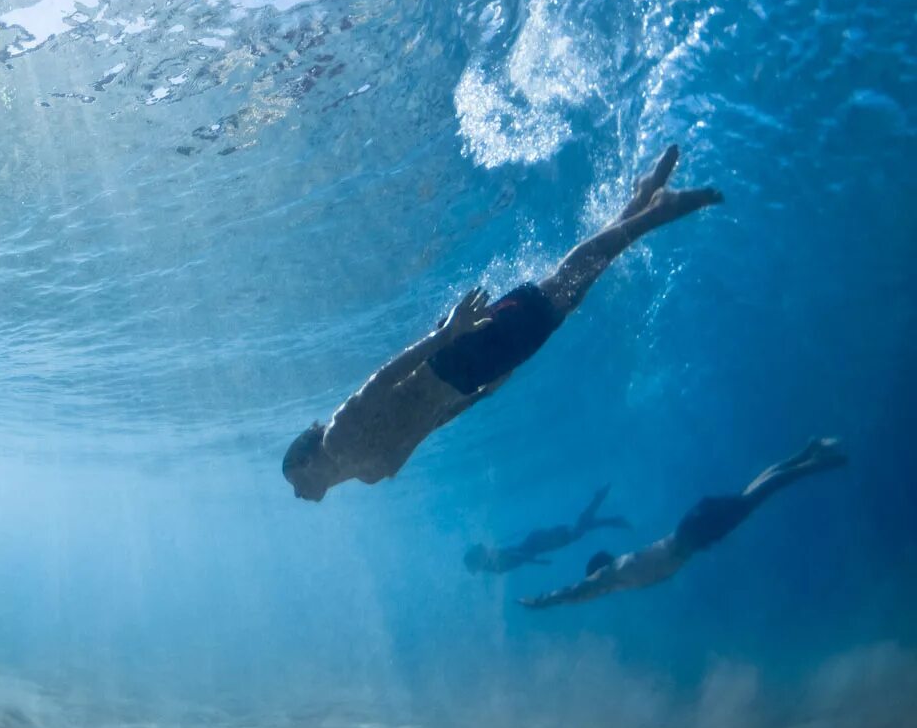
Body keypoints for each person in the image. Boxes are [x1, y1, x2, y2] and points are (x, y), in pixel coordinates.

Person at [281, 146, 720, 503]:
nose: (299, 495)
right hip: (468, 378)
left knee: (556, 292)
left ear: (305, 461)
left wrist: (447, 333)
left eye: (294, 484)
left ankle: (654, 215)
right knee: (562, 304)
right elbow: (431, 421)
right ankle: (641, 200)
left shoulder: (337, 438)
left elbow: (383, 378)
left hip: (454, 354)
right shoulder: (369, 475)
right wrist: (479, 396)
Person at [519, 438, 847, 608]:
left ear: (598, 572)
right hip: (690, 527)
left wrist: (542, 601)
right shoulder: (622, 575)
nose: (597, 589)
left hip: (694, 533)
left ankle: (816, 462)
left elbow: (576, 591)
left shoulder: (612, 574)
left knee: (756, 496)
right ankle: (808, 451)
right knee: (749, 494)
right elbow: (583, 593)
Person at [464, 486, 630, 574]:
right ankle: (609, 515)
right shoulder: (492, 564)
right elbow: (514, 554)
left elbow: (516, 555)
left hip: (540, 543)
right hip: (537, 542)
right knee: (579, 531)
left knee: (578, 532)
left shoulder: (495, 562)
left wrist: (536, 562)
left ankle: (601, 503)